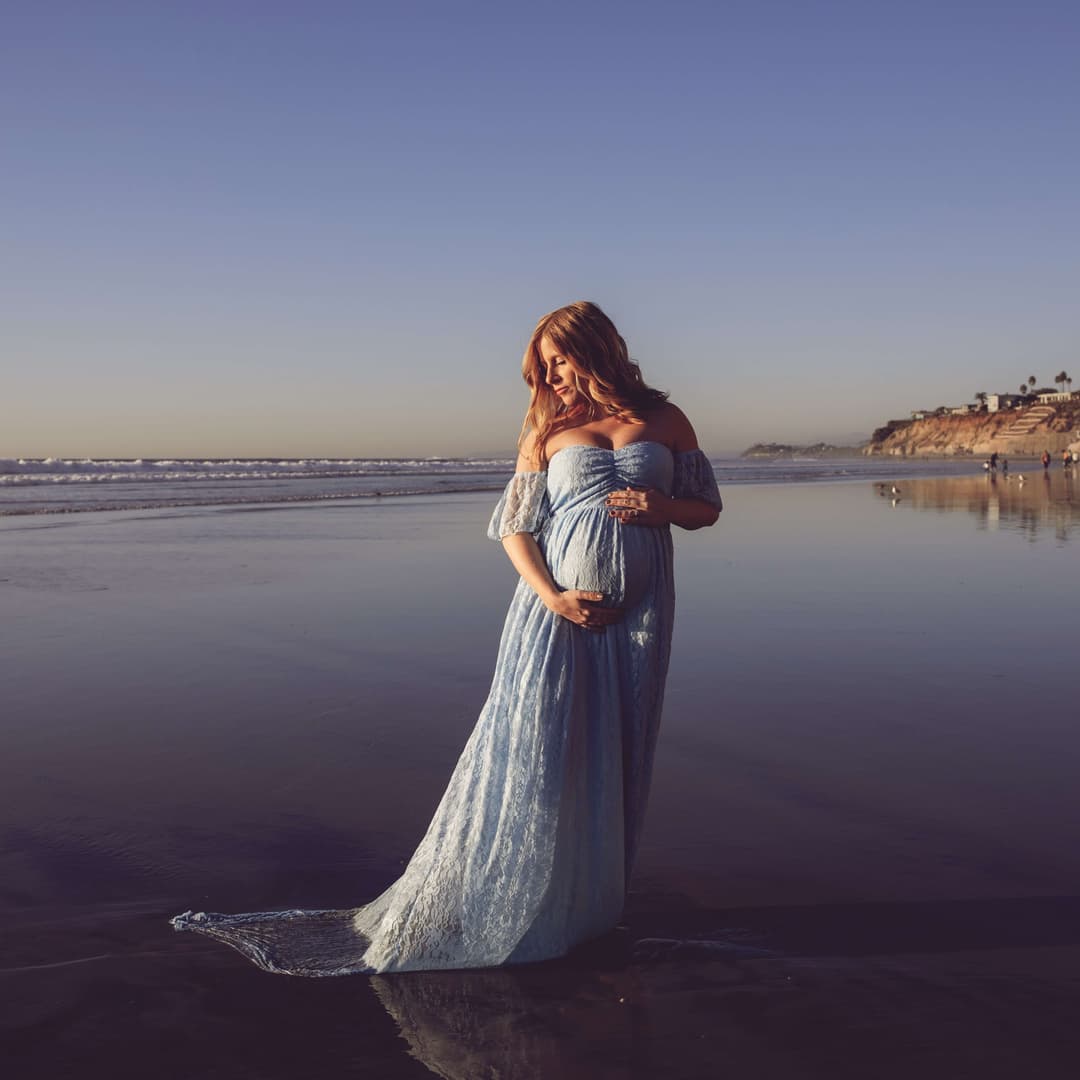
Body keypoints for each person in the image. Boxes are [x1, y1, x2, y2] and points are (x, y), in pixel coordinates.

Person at [171, 301, 722, 975]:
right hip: (553, 615)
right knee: (537, 747)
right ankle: (509, 899)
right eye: (544, 365)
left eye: (561, 359)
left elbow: (706, 508)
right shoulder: (547, 424)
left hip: (640, 619)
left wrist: (663, 508)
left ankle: (584, 906)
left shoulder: (666, 419)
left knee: (617, 747)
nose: (553, 374)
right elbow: (515, 527)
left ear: (598, 349)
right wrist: (553, 597)